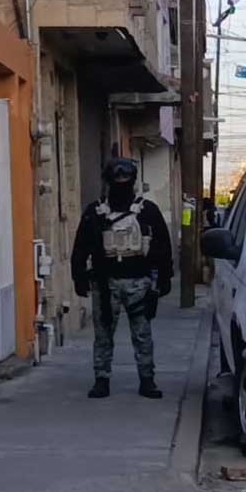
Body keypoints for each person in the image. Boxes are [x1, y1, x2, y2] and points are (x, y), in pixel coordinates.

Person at [71, 159, 173, 399]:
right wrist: (78, 277)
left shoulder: (147, 210)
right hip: (105, 285)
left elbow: (162, 245)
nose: (121, 186)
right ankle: (102, 380)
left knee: (142, 334)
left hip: (139, 281)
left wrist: (164, 277)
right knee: (103, 334)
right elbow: (81, 246)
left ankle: (147, 379)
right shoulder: (94, 213)